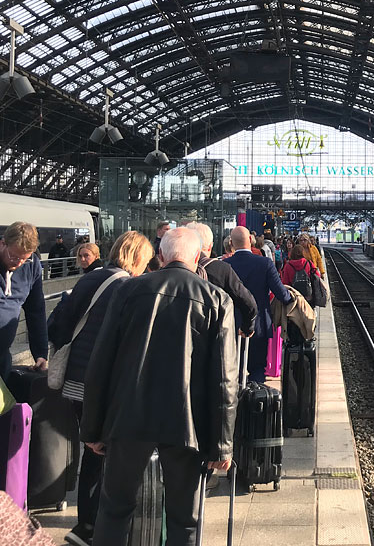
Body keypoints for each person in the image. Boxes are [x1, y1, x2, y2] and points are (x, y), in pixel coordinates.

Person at [80, 228, 238, 546]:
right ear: (197, 259)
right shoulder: (217, 300)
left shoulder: (127, 291)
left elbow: (101, 362)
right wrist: (222, 443)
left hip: (128, 418)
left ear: (161, 256)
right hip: (187, 425)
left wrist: (92, 429)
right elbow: (225, 379)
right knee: (185, 521)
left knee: (113, 511)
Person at [48, 232, 154, 546]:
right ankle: (102, 526)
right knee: (108, 452)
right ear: (137, 258)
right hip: (101, 384)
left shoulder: (90, 279)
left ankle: (86, 524)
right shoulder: (127, 287)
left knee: (91, 453)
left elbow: (61, 323)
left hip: (75, 381)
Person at [224, 226, 292, 383]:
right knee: (257, 368)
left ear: (232, 243)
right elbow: (281, 294)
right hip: (258, 324)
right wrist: (292, 299)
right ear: (250, 240)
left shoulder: (225, 265)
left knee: (234, 368)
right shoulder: (265, 263)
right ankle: (256, 403)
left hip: (231, 325)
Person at [185, 222, 258, 337]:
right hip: (210, 337)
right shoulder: (221, 269)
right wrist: (247, 327)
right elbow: (248, 302)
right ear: (210, 246)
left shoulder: (169, 270)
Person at [0, 222, 48, 382]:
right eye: (13, 256)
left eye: (24, 259)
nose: (18, 263)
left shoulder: (32, 265)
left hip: (3, 355)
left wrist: (40, 353)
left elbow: (36, 310)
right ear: (2, 244)